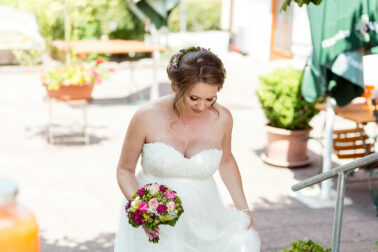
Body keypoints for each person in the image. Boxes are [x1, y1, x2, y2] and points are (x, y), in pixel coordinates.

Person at [114, 46, 261, 251]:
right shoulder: (146, 116)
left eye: (210, 99)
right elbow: (124, 170)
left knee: (241, 241)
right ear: (175, 86)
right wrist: (142, 210)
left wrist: (243, 209)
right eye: (194, 98)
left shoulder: (223, 118)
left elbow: (226, 161)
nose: (202, 107)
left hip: (204, 217)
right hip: (156, 221)